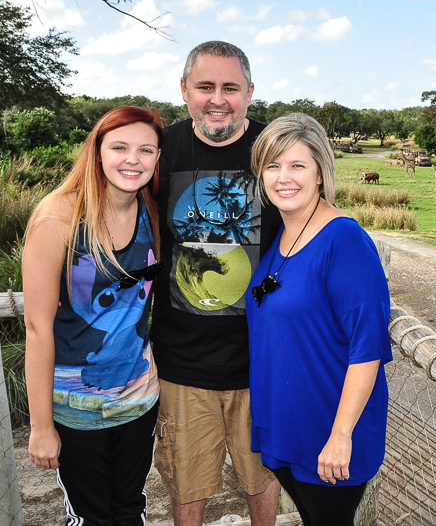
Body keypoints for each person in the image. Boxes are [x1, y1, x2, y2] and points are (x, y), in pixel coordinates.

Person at [149, 40, 282, 526]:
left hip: (263, 359)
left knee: (263, 478)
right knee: (186, 482)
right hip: (182, 361)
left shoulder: (275, 149)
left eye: (231, 88)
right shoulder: (160, 150)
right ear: (184, 89)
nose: (218, 100)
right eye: (205, 86)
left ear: (250, 91)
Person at [246, 113, 392, 526]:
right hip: (285, 424)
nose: (283, 178)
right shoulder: (285, 232)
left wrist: (341, 435)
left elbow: (368, 347)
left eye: (297, 165)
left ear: (320, 174)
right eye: (272, 166)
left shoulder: (344, 241)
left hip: (328, 432)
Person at [23, 106, 164, 525]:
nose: (132, 160)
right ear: (97, 151)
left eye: (146, 150)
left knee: (130, 509)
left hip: (138, 397)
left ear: (158, 157)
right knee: (91, 518)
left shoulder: (149, 209)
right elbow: (37, 328)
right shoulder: (58, 218)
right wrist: (41, 427)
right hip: (75, 407)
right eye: (119, 147)